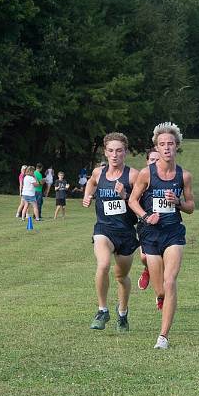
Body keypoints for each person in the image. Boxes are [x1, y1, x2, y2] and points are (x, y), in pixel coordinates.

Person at [129, 122, 195, 350]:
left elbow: (191, 207)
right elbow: (132, 201)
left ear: (177, 146)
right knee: (160, 289)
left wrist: (178, 202)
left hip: (173, 232)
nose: (166, 148)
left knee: (170, 281)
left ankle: (163, 337)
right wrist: (146, 217)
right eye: (162, 144)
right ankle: (159, 296)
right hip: (150, 233)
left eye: (170, 144)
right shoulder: (147, 173)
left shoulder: (183, 176)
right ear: (156, 146)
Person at [83, 132, 140, 333]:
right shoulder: (99, 173)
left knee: (121, 277)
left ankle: (122, 312)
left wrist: (125, 195)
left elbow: (141, 206)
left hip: (125, 233)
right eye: (110, 151)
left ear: (125, 152)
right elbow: (90, 183)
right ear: (105, 152)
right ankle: (102, 310)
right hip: (104, 229)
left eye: (119, 151)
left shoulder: (133, 176)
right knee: (103, 264)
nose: (114, 155)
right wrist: (87, 196)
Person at [137, 148, 161, 291]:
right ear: (147, 161)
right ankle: (147, 269)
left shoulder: (168, 177)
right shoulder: (142, 176)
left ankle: (161, 294)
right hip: (145, 223)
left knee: (163, 260)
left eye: (158, 160)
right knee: (145, 257)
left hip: (165, 224)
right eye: (152, 160)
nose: (155, 162)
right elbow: (131, 199)